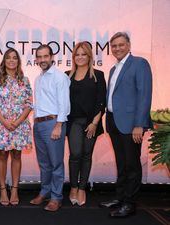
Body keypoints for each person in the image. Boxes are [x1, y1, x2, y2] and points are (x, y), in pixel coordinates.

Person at [99, 32, 152, 218]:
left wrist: (140, 124)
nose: (117, 48)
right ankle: (120, 198)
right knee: (121, 163)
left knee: (132, 165)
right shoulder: (114, 69)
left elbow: (144, 96)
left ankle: (129, 204)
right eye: (114, 46)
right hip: (114, 121)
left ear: (129, 45)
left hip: (131, 124)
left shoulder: (139, 64)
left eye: (121, 45)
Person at [0, 48, 33, 206]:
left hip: (19, 125)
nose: (12, 60)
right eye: (8, 58)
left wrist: (18, 121)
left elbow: (29, 103)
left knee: (17, 156)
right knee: (1, 156)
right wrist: (4, 122)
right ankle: (2, 189)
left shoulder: (24, 80)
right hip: (1, 124)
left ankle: (14, 189)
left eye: (15, 58)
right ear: (4, 61)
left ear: (18, 61)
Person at [30, 44, 70, 211]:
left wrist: (59, 125)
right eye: (39, 57)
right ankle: (44, 191)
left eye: (45, 56)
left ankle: (56, 197)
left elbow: (64, 103)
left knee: (56, 163)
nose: (42, 60)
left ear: (52, 57)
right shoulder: (38, 78)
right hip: (38, 124)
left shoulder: (59, 77)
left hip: (53, 124)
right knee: (44, 163)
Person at [65, 42, 106, 206]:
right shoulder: (67, 75)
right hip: (74, 121)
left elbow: (101, 101)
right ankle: (73, 187)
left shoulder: (98, 75)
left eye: (83, 54)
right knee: (75, 155)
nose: (80, 57)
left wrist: (95, 123)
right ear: (73, 57)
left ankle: (82, 188)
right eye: (77, 54)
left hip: (92, 123)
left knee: (87, 155)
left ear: (89, 57)